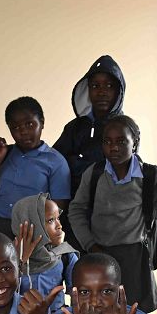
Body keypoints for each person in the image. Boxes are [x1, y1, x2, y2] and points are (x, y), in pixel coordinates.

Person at [67, 114, 157, 312]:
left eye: (121, 141)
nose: (114, 147)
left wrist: (156, 213)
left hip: (134, 256)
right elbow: (76, 210)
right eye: (107, 142)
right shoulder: (94, 174)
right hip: (99, 252)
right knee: (98, 311)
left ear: (134, 143)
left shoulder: (151, 176)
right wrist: (90, 244)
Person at [52, 55, 126, 248]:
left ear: (119, 91)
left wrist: (76, 165)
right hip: (71, 215)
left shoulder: (126, 129)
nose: (102, 92)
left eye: (109, 86)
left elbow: (118, 171)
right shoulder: (74, 128)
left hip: (106, 219)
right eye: (95, 86)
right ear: (87, 90)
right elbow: (55, 163)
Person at [0, 96, 71, 237]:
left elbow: (58, 210)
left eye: (30, 124)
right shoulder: (4, 153)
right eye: (15, 127)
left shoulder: (56, 162)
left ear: (41, 123)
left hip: (31, 230)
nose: (23, 132)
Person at [11, 192, 76, 313]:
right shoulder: (7, 256)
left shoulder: (65, 255)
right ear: (31, 224)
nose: (59, 226)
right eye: (51, 220)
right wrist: (20, 261)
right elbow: (3, 295)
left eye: (58, 218)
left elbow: (77, 295)